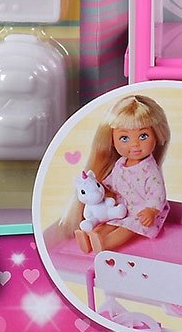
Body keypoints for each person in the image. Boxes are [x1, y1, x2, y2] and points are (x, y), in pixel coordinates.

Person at [60, 94, 171, 252]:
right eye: (124, 138)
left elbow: (157, 192)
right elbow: (113, 180)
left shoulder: (149, 169)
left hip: (141, 212)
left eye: (143, 136)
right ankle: (91, 237)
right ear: (112, 140)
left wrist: (151, 210)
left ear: (157, 136)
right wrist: (103, 189)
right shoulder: (120, 163)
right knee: (109, 222)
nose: (135, 144)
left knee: (127, 228)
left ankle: (105, 243)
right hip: (122, 206)